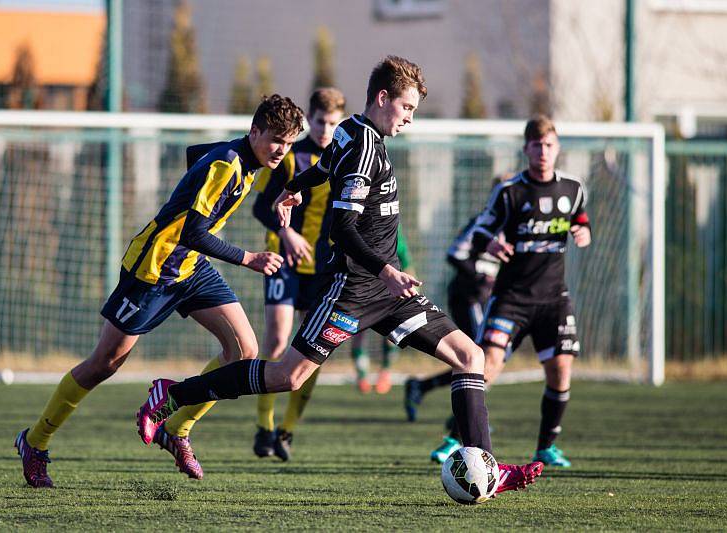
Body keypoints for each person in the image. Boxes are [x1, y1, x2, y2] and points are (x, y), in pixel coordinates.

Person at [136, 56, 543, 494]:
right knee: (287, 377)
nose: (409, 119)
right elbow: (342, 230)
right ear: (383, 98)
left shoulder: (350, 129)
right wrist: (387, 269)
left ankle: (487, 467)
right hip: (352, 289)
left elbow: (325, 166)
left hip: (389, 293)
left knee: (471, 357)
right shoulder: (365, 148)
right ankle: (173, 395)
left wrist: (295, 187)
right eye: (406, 108)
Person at [13, 95, 304, 488]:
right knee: (105, 362)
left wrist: (287, 192)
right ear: (254, 132)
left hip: (191, 267)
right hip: (153, 269)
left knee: (244, 351)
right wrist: (248, 257)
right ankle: (35, 442)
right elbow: (193, 232)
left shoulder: (243, 159)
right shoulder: (227, 164)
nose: (281, 151)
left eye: (288, 144)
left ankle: (176, 429)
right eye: (275, 141)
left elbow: (194, 156)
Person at [469, 115, 592, 468]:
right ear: (526, 149)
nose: (543, 151)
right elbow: (480, 232)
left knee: (561, 371)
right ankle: (456, 437)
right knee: (486, 366)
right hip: (511, 298)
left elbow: (579, 219)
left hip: (554, 298)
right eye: (536, 145)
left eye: (549, 145)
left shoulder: (573, 189)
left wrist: (583, 232)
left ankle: (546, 447)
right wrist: (491, 245)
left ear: (558, 148)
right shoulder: (510, 191)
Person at [250, 87, 346, 461]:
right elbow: (260, 207)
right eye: (320, 121)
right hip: (283, 262)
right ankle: (264, 425)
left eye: (333, 123)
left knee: (314, 352)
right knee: (275, 343)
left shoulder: (344, 159)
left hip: (323, 271)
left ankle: (287, 431)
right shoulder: (290, 157)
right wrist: (286, 232)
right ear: (311, 119)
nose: (325, 130)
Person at [403, 212, 501, 462]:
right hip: (469, 296)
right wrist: (480, 277)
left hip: (494, 298)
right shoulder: (483, 222)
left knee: (483, 363)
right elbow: (455, 254)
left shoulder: (522, 224)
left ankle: (428, 391)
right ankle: (459, 433)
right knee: (478, 360)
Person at [350, 224, 414, 394]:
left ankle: (385, 371)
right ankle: (362, 374)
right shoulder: (353, 226)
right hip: (359, 288)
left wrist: (412, 289)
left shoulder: (391, 229)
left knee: (391, 334)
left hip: (386, 290)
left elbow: (406, 262)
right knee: (356, 331)